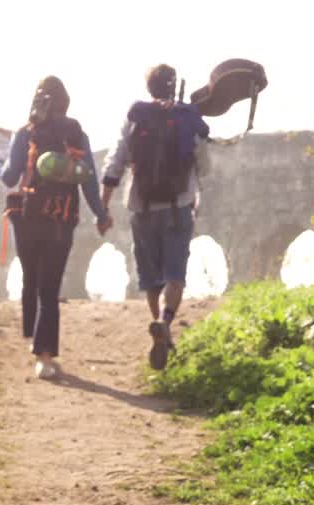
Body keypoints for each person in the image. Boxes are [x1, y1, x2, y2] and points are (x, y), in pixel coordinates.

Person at [0, 76, 112, 379]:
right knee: (49, 286)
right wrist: (101, 214)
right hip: (61, 218)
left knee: (30, 277)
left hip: (28, 217)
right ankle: (44, 356)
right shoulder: (77, 136)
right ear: (66, 104)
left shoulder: (25, 133)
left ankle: (32, 336)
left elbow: (9, 177)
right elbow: (89, 182)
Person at [100, 64, 210, 370]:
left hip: (142, 208)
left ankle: (162, 333)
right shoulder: (188, 118)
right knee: (175, 277)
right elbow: (205, 165)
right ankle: (165, 321)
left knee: (151, 279)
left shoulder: (137, 116)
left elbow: (116, 161)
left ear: (149, 88)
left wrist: (103, 207)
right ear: (173, 87)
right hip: (179, 208)